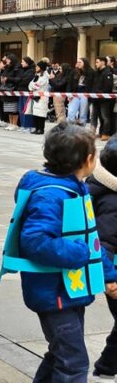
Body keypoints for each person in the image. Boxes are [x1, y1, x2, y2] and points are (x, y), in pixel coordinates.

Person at [0, 123, 117, 383]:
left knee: (60, 354)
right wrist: (79, 253)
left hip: (68, 292)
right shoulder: (52, 194)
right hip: (54, 294)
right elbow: (35, 240)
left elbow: (90, 239)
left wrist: (109, 276)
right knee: (73, 363)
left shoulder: (74, 186)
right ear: (87, 160)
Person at [87, 136, 117, 379]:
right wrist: (109, 279)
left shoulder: (100, 186)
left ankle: (107, 367)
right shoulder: (112, 201)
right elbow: (104, 242)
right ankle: (106, 368)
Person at [67, 57, 94, 125]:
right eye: (77, 62)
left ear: (85, 63)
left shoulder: (91, 72)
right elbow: (69, 83)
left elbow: (92, 85)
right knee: (71, 113)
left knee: (83, 114)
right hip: (75, 94)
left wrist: (90, 96)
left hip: (85, 94)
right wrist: (69, 94)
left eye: (80, 62)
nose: (78, 63)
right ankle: (70, 128)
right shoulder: (74, 71)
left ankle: (81, 129)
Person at [0, 54, 21, 131]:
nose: (7, 61)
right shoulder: (7, 67)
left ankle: (14, 124)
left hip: (13, 90)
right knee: (8, 109)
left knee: (13, 109)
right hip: (6, 89)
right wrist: (2, 78)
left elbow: (18, 79)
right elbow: (3, 75)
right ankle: (10, 123)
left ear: (12, 60)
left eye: (8, 59)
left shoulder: (17, 68)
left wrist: (7, 79)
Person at [95, 56, 114, 141]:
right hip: (97, 99)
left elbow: (108, 87)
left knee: (105, 117)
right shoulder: (97, 72)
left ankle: (106, 133)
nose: (96, 64)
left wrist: (100, 93)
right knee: (101, 117)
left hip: (104, 99)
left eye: (97, 62)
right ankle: (101, 132)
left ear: (103, 62)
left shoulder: (107, 73)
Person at [28, 61, 50, 135]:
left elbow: (38, 85)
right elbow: (30, 85)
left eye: (37, 66)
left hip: (42, 97)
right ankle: (36, 128)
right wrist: (32, 86)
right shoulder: (37, 75)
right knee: (36, 113)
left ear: (41, 67)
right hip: (35, 96)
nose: (36, 68)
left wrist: (33, 85)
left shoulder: (45, 76)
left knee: (41, 113)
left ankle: (41, 129)